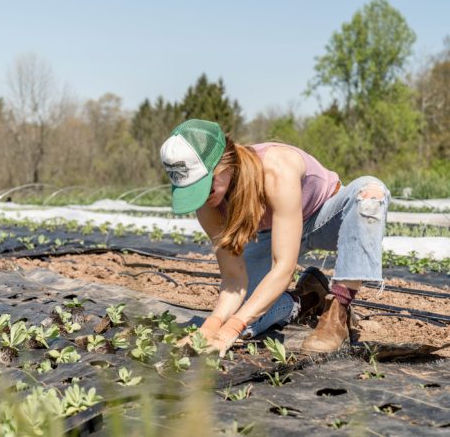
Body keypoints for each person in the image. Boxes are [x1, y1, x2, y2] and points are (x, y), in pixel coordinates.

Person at [160, 119, 390, 356]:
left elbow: (283, 267)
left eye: (205, 187)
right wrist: (213, 326)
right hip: (272, 234)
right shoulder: (208, 205)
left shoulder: (275, 168)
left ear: (225, 163)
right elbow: (233, 279)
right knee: (246, 319)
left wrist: (231, 328)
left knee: (370, 193)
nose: (203, 198)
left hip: (324, 218)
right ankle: (306, 298)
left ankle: (338, 312)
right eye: (192, 191)